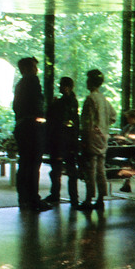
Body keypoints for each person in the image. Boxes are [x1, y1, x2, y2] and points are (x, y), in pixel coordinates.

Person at [79, 69, 116, 212]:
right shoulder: (104, 99)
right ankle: (101, 198)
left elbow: (86, 122)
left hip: (92, 138)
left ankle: (89, 199)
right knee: (101, 169)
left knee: (91, 170)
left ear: (91, 82)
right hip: (103, 138)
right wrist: (104, 127)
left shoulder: (90, 99)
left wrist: (85, 137)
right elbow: (113, 116)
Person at [12, 56, 46, 210]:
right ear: (26, 69)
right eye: (33, 67)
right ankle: (33, 199)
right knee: (33, 163)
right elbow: (38, 105)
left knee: (24, 163)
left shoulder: (20, 84)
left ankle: (24, 198)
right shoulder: (33, 81)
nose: (36, 70)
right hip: (31, 127)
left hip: (22, 126)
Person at [46, 74, 80, 208]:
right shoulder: (72, 102)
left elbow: (53, 119)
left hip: (60, 140)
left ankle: (56, 194)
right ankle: (73, 197)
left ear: (66, 87)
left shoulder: (61, 103)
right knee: (69, 169)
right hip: (69, 140)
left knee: (57, 169)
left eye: (62, 85)